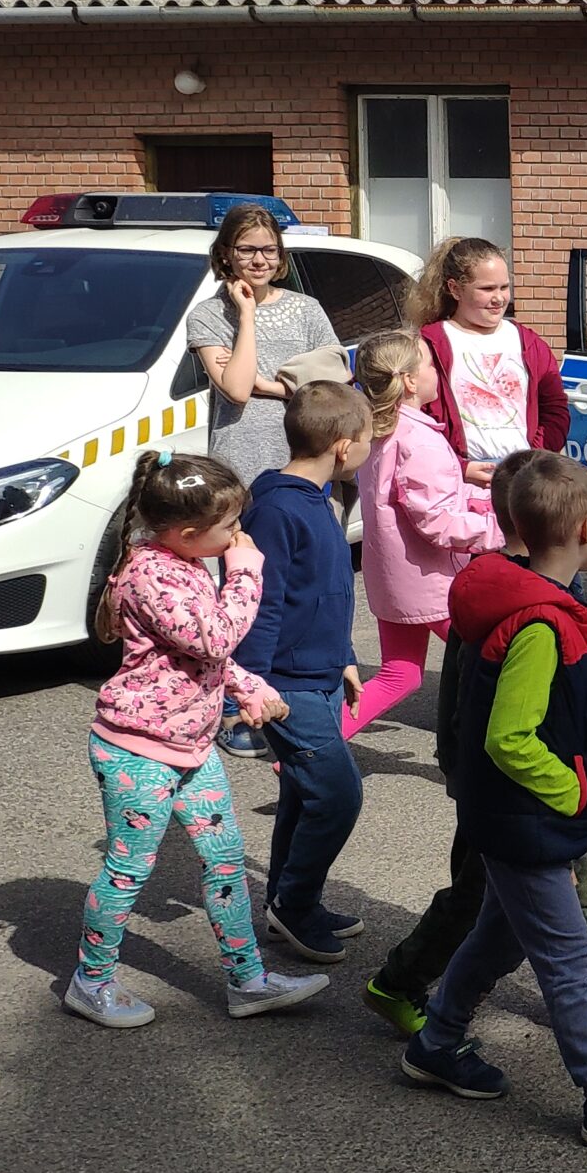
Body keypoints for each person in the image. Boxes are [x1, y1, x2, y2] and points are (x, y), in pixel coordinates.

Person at [397, 454, 587, 1149]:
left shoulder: (538, 602)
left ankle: (435, 1042)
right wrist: (568, 790)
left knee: (498, 936)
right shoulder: (541, 621)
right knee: (566, 962)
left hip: (509, 815)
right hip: (527, 818)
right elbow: (511, 736)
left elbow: (532, 706)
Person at [364, 451, 587, 1043]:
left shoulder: (540, 585)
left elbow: (542, 696)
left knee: (539, 892)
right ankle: (399, 983)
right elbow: (487, 711)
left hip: (514, 779)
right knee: (479, 895)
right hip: (505, 785)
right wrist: (569, 787)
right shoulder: (511, 597)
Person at [62, 450, 327, 1028]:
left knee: (226, 859)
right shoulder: (151, 573)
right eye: (230, 526)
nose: (239, 535)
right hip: (137, 749)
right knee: (129, 870)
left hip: (190, 745)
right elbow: (213, 637)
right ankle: (92, 981)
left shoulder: (185, 564)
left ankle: (248, 981)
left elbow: (201, 656)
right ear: (187, 532)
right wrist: (247, 573)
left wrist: (247, 686)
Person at [236, 380, 377, 962]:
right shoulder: (278, 508)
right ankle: (293, 906)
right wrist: (250, 687)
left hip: (316, 674)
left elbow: (324, 592)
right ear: (343, 448)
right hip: (285, 685)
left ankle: (289, 902)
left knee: (303, 794)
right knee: (338, 796)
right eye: (369, 438)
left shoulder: (318, 498)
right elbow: (261, 606)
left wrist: (343, 654)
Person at [343, 331, 503, 737]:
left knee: (401, 674)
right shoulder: (421, 439)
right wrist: (497, 527)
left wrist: (476, 496)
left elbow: (416, 498)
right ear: (411, 380)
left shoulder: (379, 431)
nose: (438, 371)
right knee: (498, 660)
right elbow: (437, 521)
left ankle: (314, 747)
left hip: (392, 579)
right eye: (431, 364)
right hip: (434, 586)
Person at [184, 202, 341, 483]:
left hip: (305, 461)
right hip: (239, 466)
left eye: (269, 250)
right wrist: (246, 315)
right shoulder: (207, 316)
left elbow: (333, 390)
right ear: (225, 254)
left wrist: (268, 386)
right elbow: (238, 390)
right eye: (246, 250)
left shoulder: (307, 309)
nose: (259, 261)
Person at [414, 238, 571, 487]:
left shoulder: (528, 343)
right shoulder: (431, 344)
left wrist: (533, 456)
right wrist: (458, 467)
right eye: (487, 289)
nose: (498, 298)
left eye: (504, 287)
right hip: (459, 481)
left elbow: (555, 408)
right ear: (455, 289)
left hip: (523, 479)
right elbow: (416, 419)